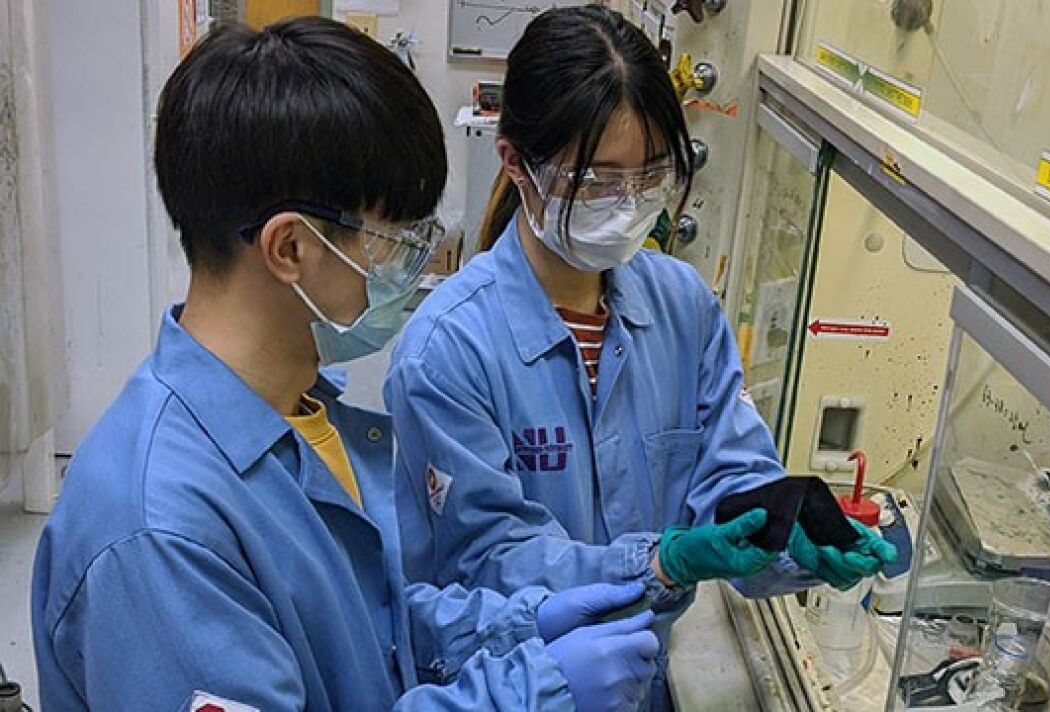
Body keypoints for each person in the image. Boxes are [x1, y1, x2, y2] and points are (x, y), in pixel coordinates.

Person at [30, 17, 660, 711]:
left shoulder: (304, 419)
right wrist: (538, 691)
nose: (410, 267)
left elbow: (367, 633)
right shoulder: (159, 531)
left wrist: (521, 627)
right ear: (290, 249)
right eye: (393, 241)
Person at [385, 6, 898, 709]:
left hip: (647, 681)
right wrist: (659, 563)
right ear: (515, 163)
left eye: (650, 175)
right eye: (596, 182)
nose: (627, 206)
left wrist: (788, 536)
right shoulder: (448, 350)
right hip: (524, 687)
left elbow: (732, 477)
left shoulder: (683, 307)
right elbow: (492, 560)